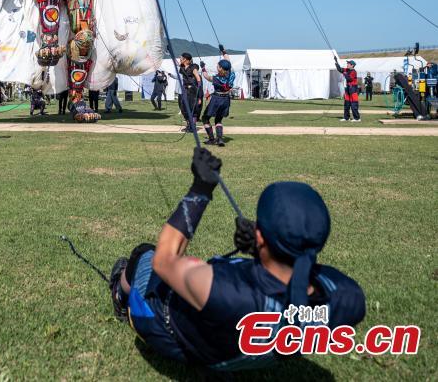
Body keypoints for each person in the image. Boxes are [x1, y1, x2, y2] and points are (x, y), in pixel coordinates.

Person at [109, 147, 366, 370]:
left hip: (172, 334)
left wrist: (200, 190)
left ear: (261, 236)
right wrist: (259, 249)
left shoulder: (224, 290)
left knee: (145, 253)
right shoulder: (348, 298)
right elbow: (295, 277)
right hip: (241, 350)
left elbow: (164, 260)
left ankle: (121, 296)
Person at [200, 56, 235, 147]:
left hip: (216, 99)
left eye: (218, 66)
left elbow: (206, 76)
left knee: (205, 118)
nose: (217, 66)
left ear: (220, 68)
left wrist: (203, 68)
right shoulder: (231, 75)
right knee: (218, 120)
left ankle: (211, 139)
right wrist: (223, 51)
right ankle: (219, 139)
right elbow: (228, 63)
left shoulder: (216, 78)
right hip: (226, 99)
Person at [169, 53, 202, 132]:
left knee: (192, 109)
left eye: (181, 58)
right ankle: (189, 125)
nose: (180, 59)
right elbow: (177, 63)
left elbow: (198, 79)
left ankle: (192, 127)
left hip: (193, 91)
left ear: (186, 60)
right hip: (185, 90)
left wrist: (199, 95)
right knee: (184, 108)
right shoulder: (183, 67)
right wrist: (170, 53)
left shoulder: (193, 67)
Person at [334, 57, 361, 122]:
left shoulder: (354, 72)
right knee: (346, 104)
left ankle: (357, 118)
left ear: (352, 65)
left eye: (348, 64)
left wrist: (345, 73)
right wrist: (336, 62)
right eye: (347, 63)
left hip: (353, 89)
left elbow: (349, 78)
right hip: (348, 88)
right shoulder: (347, 70)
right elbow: (340, 69)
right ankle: (346, 117)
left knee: (354, 104)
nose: (347, 64)